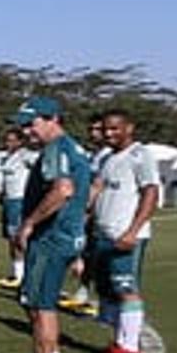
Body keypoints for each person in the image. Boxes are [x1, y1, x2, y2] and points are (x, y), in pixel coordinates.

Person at [12, 96, 91, 353]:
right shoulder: (73, 149)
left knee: (40, 306)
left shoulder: (57, 149)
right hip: (65, 237)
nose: (27, 132)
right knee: (35, 302)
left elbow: (63, 190)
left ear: (52, 119)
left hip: (50, 240)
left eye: (31, 124)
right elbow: (88, 191)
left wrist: (29, 223)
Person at [89, 108, 160, 353]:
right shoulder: (109, 157)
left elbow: (151, 194)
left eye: (115, 128)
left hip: (126, 237)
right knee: (109, 291)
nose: (109, 133)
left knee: (126, 289)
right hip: (104, 235)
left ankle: (130, 349)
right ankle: (120, 343)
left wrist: (132, 231)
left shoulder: (140, 155)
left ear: (129, 128)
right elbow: (98, 187)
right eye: (106, 128)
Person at [59, 115, 109, 315]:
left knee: (98, 257)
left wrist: (87, 206)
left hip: (101, 213)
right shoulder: (94, 155)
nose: (94, 133)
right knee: (85, 253)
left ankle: (103, 300)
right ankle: (83, 292)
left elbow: (99, 185)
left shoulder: (108, 155)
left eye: (98, 129)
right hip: (90, 212)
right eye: (91, 129)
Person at [0, 126, 36, 288]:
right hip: (8, 200)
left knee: (18, 237)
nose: (8, 143)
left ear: (20, 141)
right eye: (7, 140)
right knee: (10, 238)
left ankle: (25, 275)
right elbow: (7, 178)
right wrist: (2, 192)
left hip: (19, 200)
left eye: (12, 140)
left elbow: (38, 166)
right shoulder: (8, 157)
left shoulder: (25, 155)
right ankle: (16, 273)